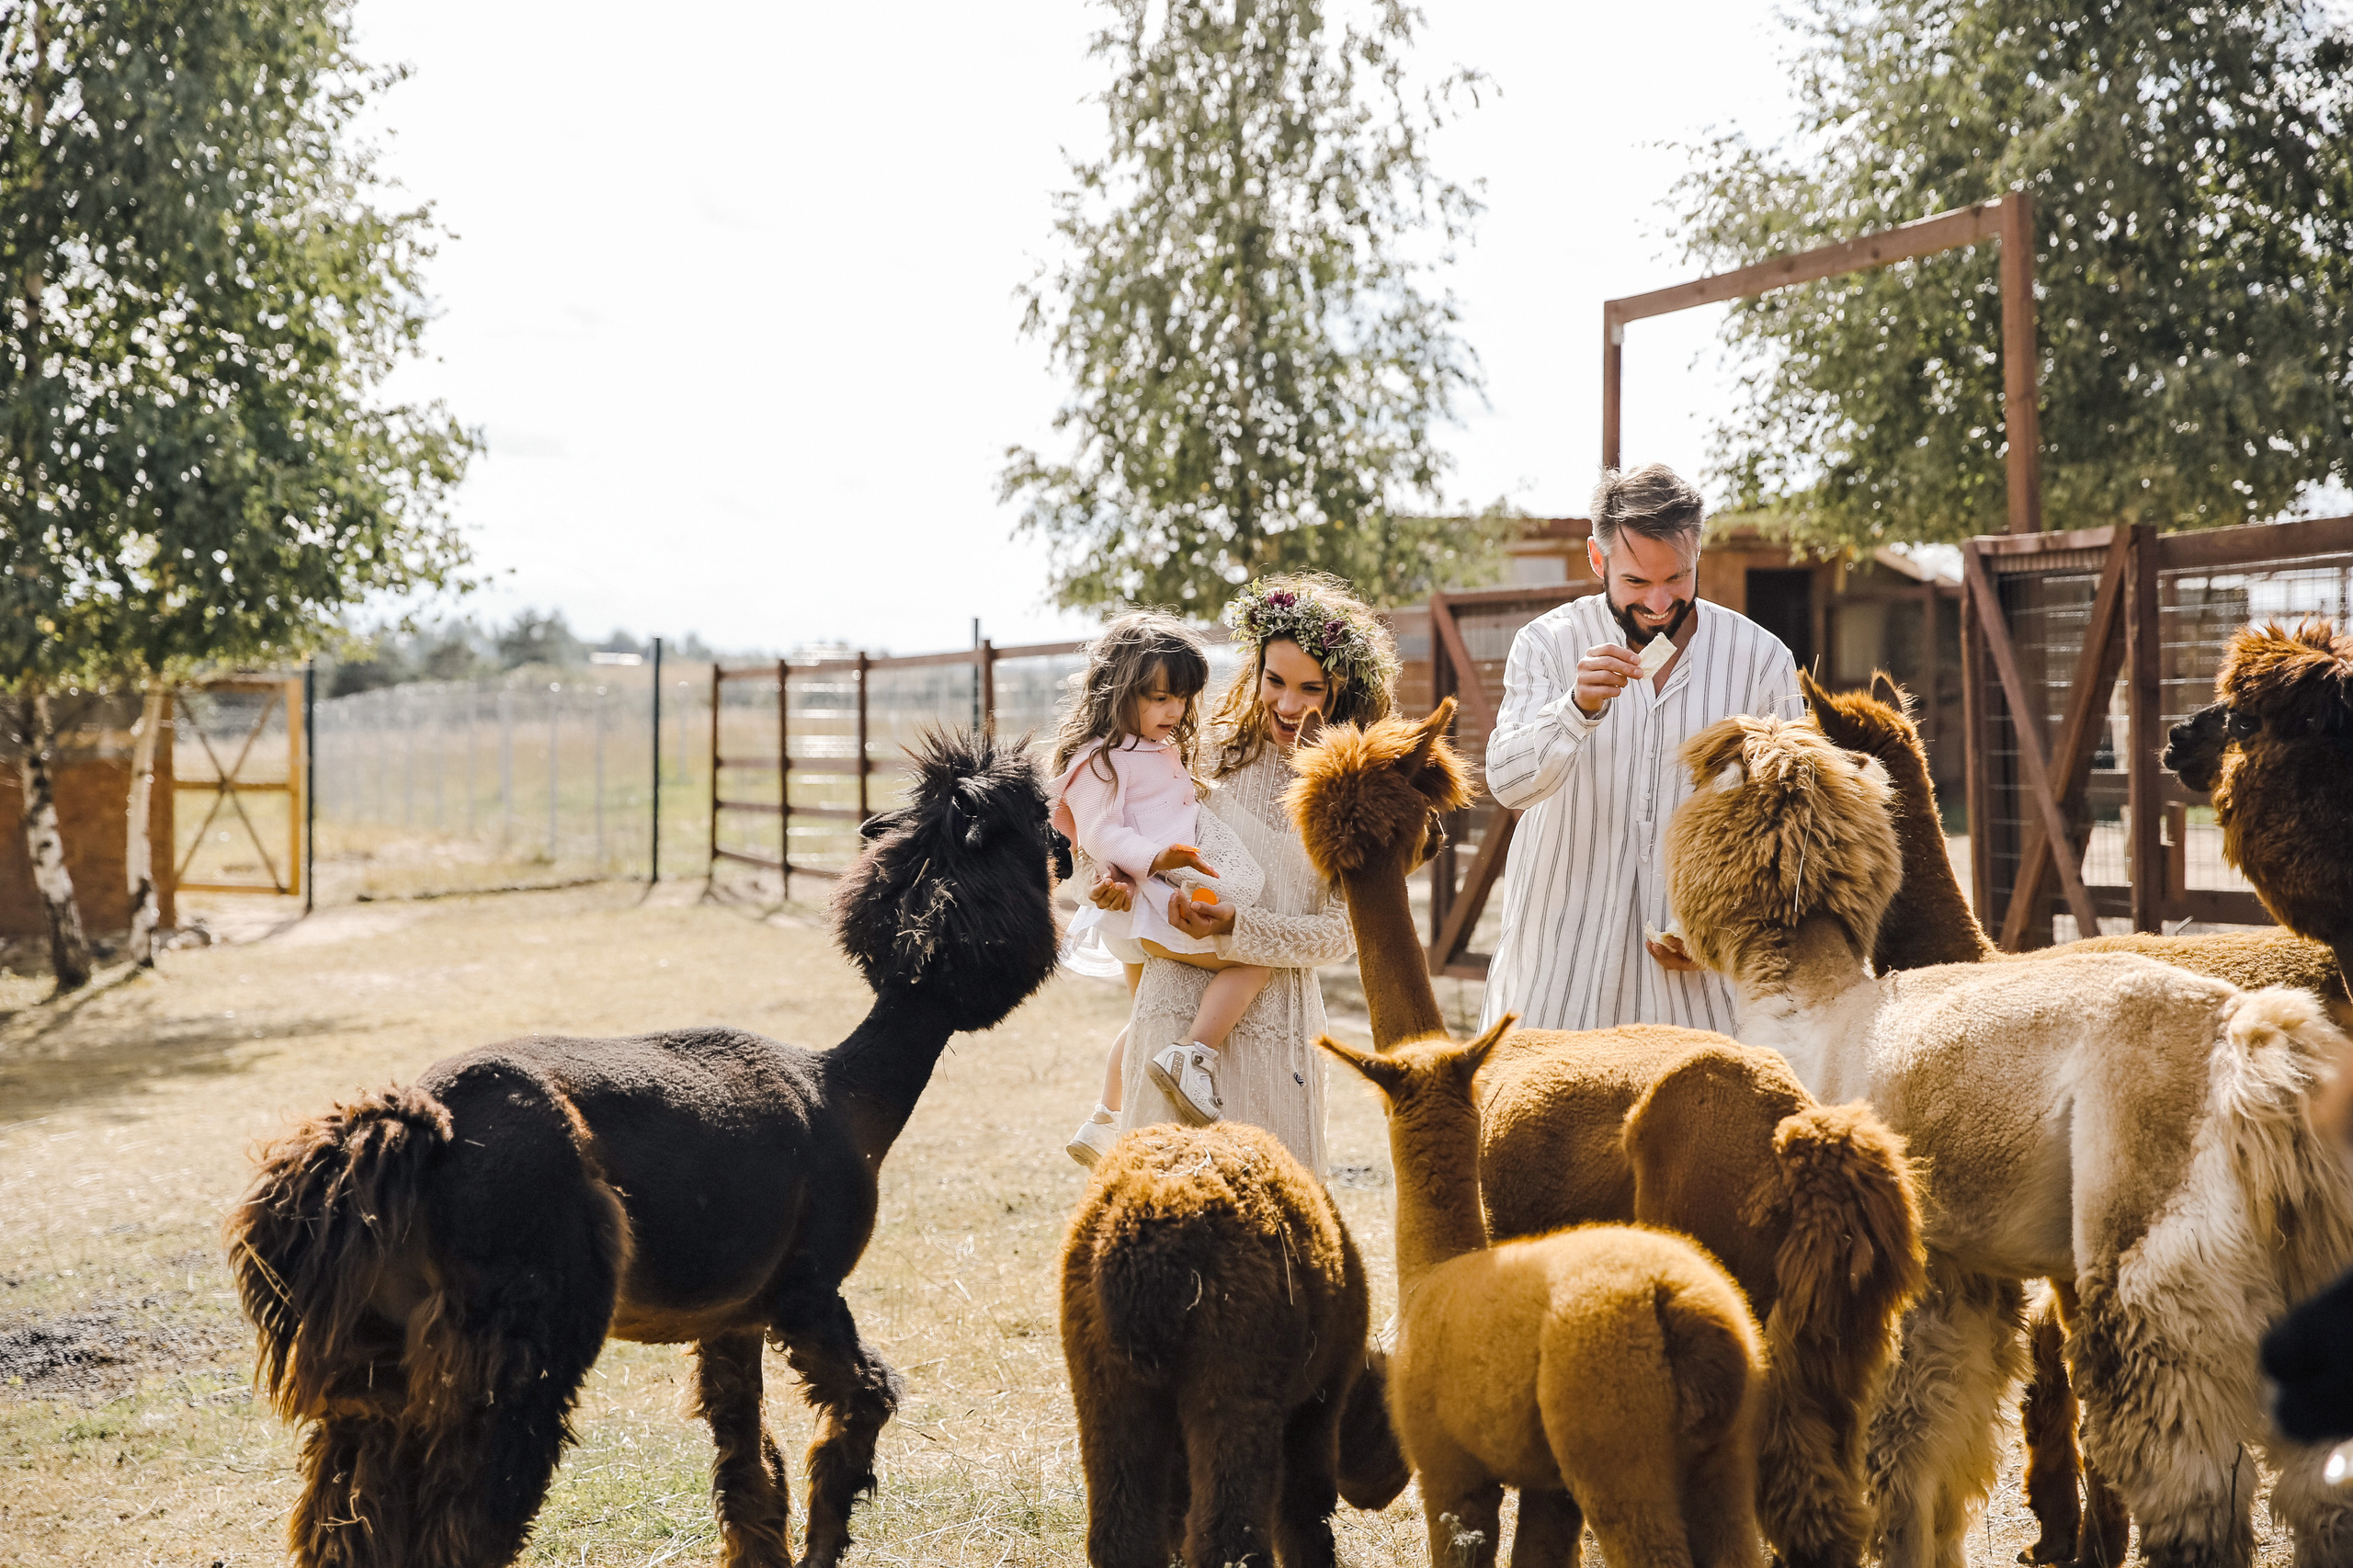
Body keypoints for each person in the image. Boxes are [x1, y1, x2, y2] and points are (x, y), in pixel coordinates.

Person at [1081, 574, 1401, 1174]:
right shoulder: (1197, 756)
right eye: (1274, 681)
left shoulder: (1354, 787)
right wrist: (1118, 882)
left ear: (1344, 689)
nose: (1287, 704)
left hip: (1280, 1037)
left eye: (1311, 688)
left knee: (1276, 1242)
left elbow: (1339, 934)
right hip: (1171, 1010)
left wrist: (1237, 927)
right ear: (1254, 668)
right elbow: (1118, 829)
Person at [1482, 464, 1801, 1034]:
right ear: (1597, 561)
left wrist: (1723, 929)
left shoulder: (1760, 659)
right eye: (1635, 582)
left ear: (1698, 555)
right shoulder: (1545, 646)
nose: (1658, 602)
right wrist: (1573, 710)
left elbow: (1789, 823)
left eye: (1677, 578)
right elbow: (1507, 785)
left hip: (1703, 993)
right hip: (1560, 977)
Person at [1051, 613, 1271, 1167]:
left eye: (1181, 699)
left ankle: (1106, 1121)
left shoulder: (1143, 747)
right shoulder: (1100, 760)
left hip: (1147, 901)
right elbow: (1101, 832)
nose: (1173, 712)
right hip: (1147, 907)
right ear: (1117, 693)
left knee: (1146, 1014)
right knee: (1257, 959)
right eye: (1158, 699)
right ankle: (1194, 1056)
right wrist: (1157, 859)